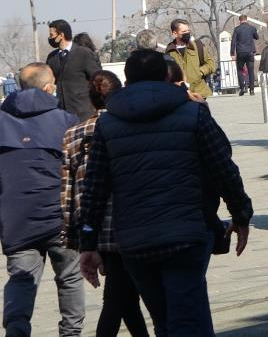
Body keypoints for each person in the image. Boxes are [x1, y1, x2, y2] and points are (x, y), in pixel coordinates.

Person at [78, 49, 253, 336]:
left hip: (135, 241)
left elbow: (95, 187)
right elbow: (223, 168)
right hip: (185, 234)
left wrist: (88, 242)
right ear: (166, 76)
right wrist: (241, 213)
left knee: (164, 320)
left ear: (128, 80)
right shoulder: (193, 113)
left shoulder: (108, 124)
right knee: (188, 318)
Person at [61, 71, 149, 337]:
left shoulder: (74, 134)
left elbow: (67, 187)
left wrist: (70, 230)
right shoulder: (130, 126)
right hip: (130, 219)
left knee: (122, 294)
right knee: (118, 297)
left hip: (92, 223)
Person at [1, 63, 83, 336]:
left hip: (16, 219)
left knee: (21, 280)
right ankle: (70, 333)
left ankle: (16, 330)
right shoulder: (66, 120)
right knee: (70, 277)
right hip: (60, 217)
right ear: (50, 87)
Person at [46, 19, 102, 122]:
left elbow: (98, 79)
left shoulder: (83, 53)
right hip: (63, 115)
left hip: (84, 113)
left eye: (51, 34)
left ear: (61, 35)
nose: (50, 38)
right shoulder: (51, 58)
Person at [165, 18, 217, 99]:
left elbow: (211, 64)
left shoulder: (197, 45)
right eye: (184, 32)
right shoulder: (169, 51)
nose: (187, 33)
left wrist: (199, 72)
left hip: (199, 93)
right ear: (175, 33)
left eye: (188, 31)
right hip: (180, 94)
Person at [231, 15, 259, 96]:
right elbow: (257, 37)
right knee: (251, 71)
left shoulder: (237, 29)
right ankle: (252, 90)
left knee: (239, 70)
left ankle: (242, 88)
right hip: (250, 52)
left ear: (239, 20)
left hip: (240, 53)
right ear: (247, 19)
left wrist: (232, 53)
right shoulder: (252, 28)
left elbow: (233, 42)